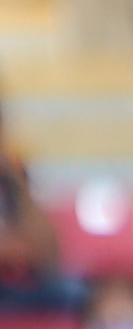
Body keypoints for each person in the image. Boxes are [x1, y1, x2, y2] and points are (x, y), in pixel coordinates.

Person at [0, 91, 78, 314]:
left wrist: (16, 180)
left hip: (18, 287)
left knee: (75, 293)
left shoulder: (15, 175)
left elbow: (49, 254)